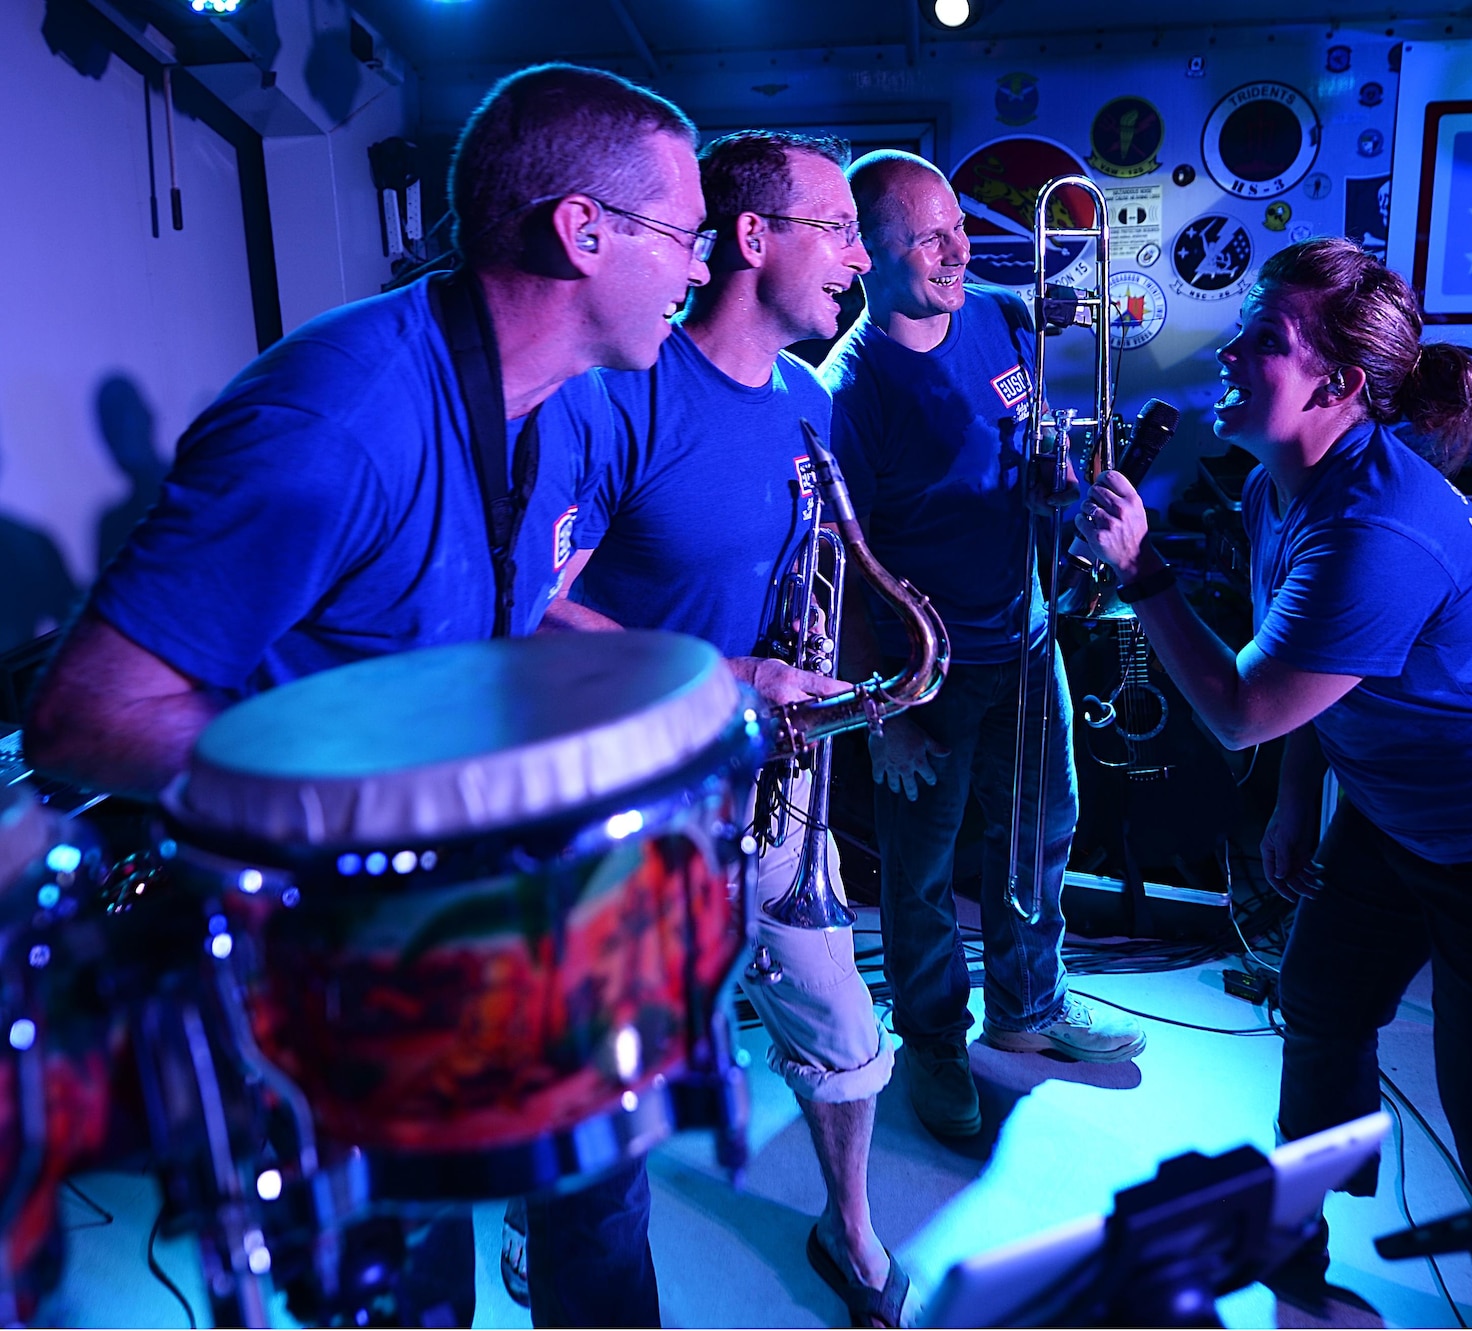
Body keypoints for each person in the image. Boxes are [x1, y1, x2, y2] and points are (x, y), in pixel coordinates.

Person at [25, 62, 712, 1328]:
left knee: (602, 1207)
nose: (701, 270)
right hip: (333, 959)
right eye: (686, 236)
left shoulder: (558, 412)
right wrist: (383, 791)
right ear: (583, 231)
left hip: (472, 909)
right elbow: (83, 714)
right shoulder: (334, 421)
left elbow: (478, 624)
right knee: (410, 1289)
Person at [1074, 238, 1472, 1325]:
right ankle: (1299, 1277)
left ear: (1337, 384)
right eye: (1241, 329)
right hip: (1396, 818)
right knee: (1320, 1006)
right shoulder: (1270, 488)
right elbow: (1308, 691)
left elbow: (1243, 706)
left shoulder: (1376, 524)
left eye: (1263, 340)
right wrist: (1297, 803)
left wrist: (1142, 573)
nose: (1230, 352)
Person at [543, 130, 910, 1329]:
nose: (861, 261)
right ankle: (540, 1218)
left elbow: (817, 585)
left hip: (780, 791)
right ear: (754, 240)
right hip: (639, 802)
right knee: (624, 1075)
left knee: (844, 1030)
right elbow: (533, 611)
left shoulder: (807, 400)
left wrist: (854, 697)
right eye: (840, 230)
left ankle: (848, 1223)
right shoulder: (622, 393)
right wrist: (722, 671)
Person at [816, 152, 1143, 1144]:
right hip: (929, 667)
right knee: (919, 875)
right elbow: (843, 563)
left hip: (1026, 632)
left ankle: (1025, 1007)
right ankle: (928, 1040)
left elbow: (1022, 448)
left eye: (954, 223)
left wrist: (1056, 480)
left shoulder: (998, 312)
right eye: (924, 236)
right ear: (866, 254)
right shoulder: (848, 387)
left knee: (1039, 831)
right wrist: (886, 713)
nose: (955, 247)